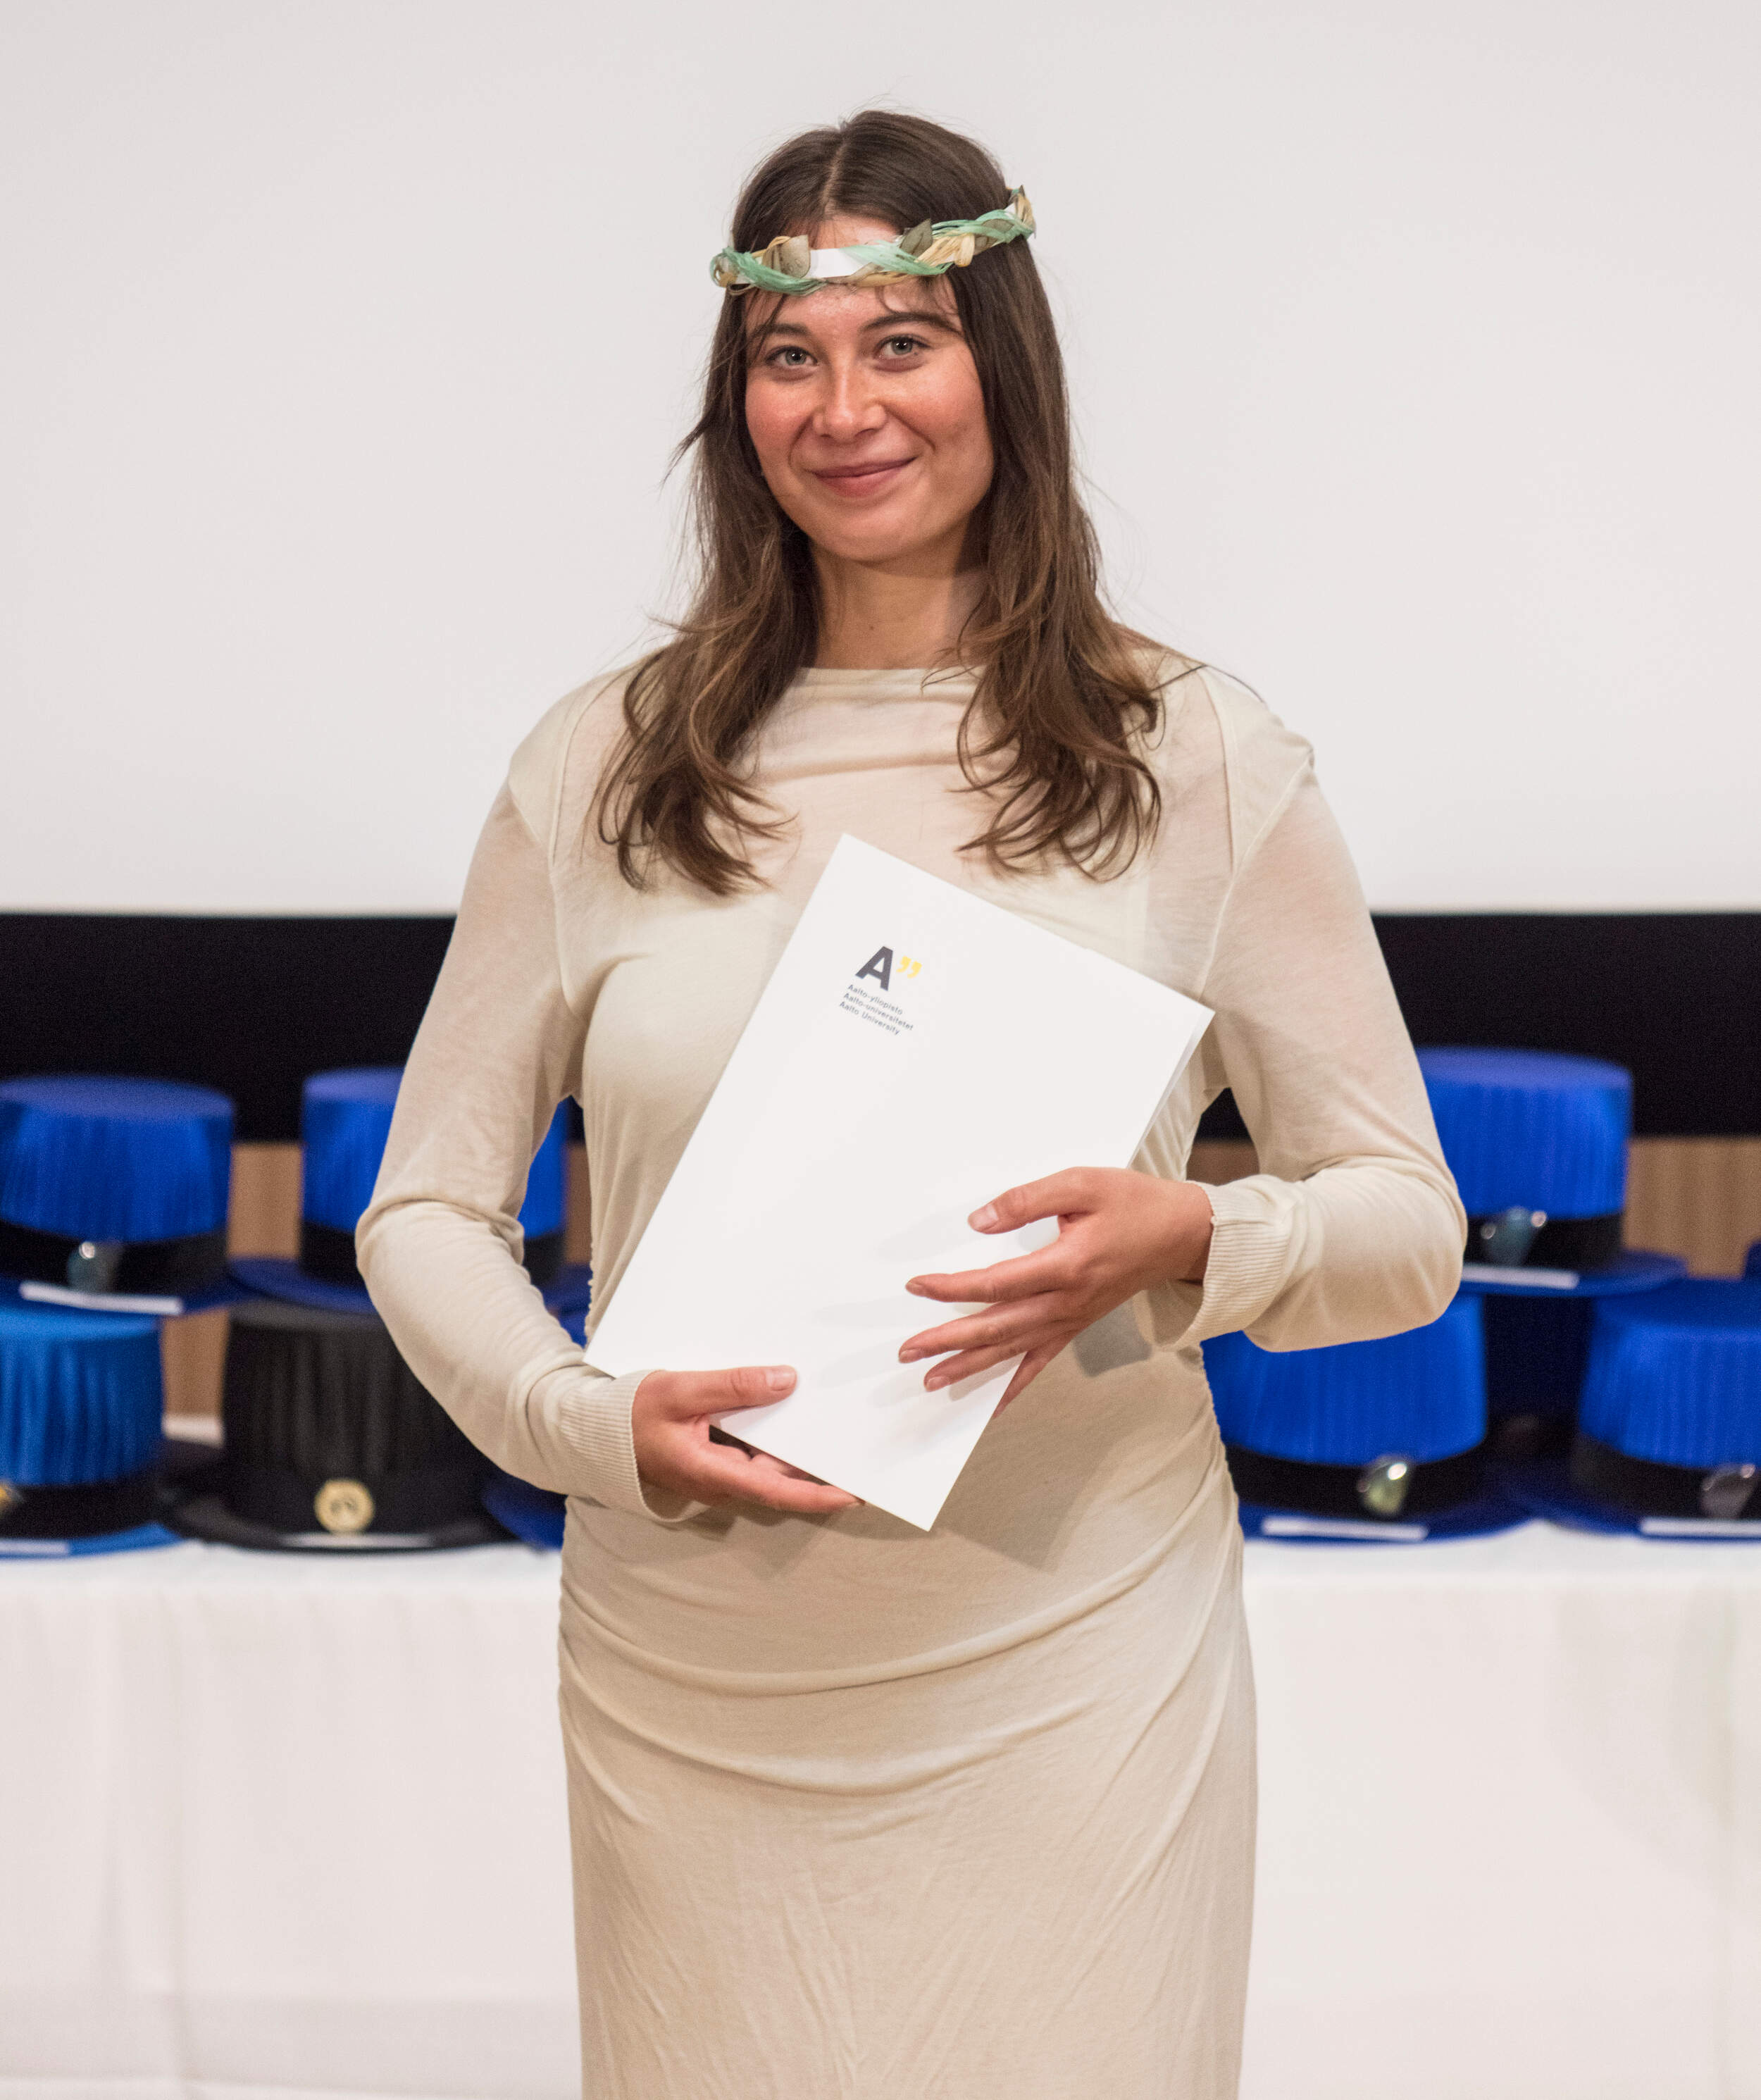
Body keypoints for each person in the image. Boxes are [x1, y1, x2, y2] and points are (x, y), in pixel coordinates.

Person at [359, 110, 1464, 2100]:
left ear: (1001, 368)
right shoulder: (601, 768)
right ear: (737, 401)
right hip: (694, 1676)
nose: (844, 408)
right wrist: (582, 1423)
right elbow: (423, 1211)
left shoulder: (1194, 757)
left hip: (1073, 1667)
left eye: (902, 342)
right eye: (789, 354)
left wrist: (1194, 1240)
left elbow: (1404, 1222)